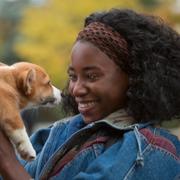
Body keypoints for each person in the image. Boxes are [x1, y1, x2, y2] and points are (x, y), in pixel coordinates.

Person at [0, 8, 180, 180]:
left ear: (134, 77)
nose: (76, 89)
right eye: (73, 76)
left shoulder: (152, 151)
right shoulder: (60, 132)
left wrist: (8, 162)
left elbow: (12, 168)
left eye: (92, 76)